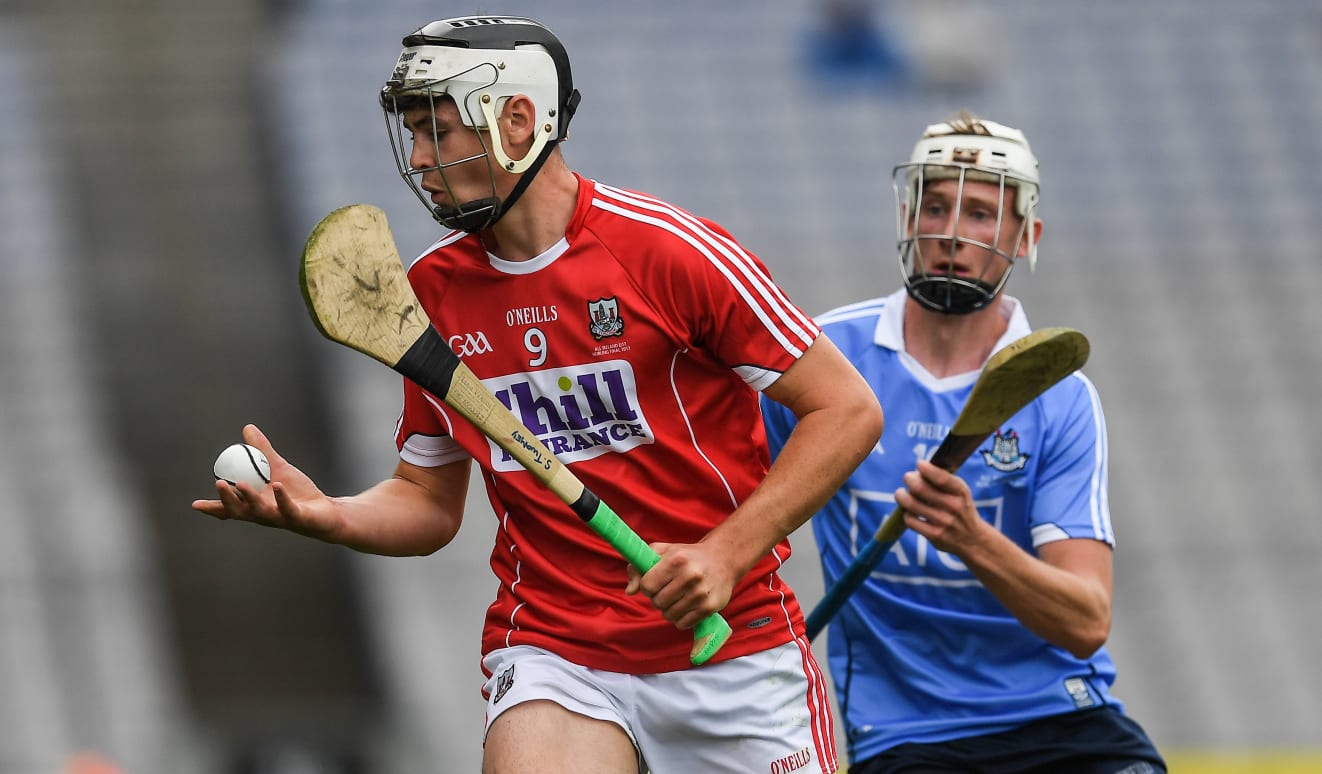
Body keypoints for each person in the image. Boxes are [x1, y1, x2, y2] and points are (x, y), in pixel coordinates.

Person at [193, 14, 883, 774]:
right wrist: (331, 514)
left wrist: (724, 554)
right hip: (557, 651)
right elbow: (427, 501)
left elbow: (847, 409)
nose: (418, 159)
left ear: (518, 121)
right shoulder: (431, 292)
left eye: (438, 132)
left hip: (730, 646)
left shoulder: (668, 252)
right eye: (413, 135)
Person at [762, 112, 1166, 773]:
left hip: (1061, 717)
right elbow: (727, 502)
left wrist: (972, 539)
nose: (951, 233)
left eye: (980, 214)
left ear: (1026, 237)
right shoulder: (824, 357)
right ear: (908, 218)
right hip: (905, 736)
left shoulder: (1059, 396)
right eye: (936, 207)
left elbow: (1086, 620)